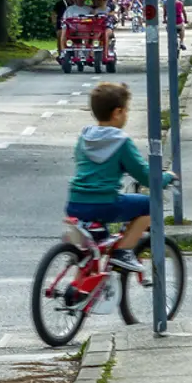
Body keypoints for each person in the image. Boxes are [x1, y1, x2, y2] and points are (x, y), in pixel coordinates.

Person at [66, 82, 176, 273]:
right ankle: (124, 251)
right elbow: (146, 177)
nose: (127, 115)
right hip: (104, 203)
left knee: (93, 252)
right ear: (117, 112)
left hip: (75, 203)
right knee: (151, 205)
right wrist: (166, 177)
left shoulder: (84, 137)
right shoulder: (121, 141)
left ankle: (80, 291)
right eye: (127, 111)